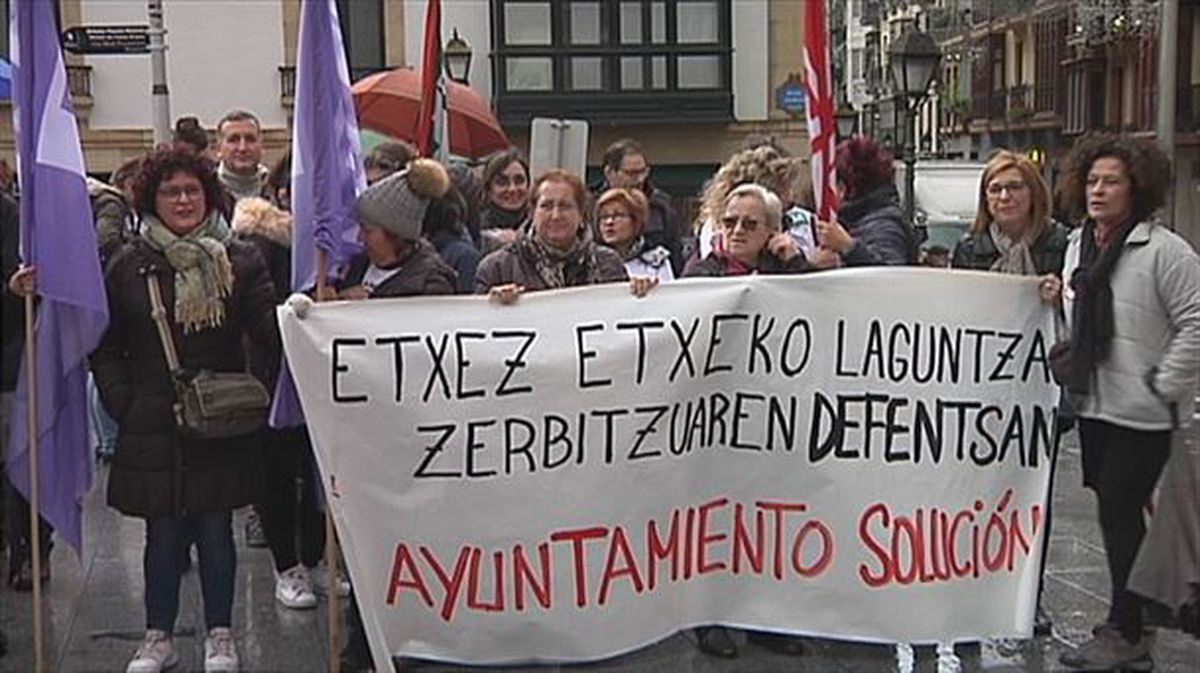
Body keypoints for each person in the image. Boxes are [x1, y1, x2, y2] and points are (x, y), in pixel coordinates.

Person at [91, 146, 280, 673]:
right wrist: (122, 401)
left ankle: (220, 634)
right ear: (152, 198)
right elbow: (104, 343)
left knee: (217, 529)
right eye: (171, 191)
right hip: (151, 417)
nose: (182, 200)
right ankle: (159, 635)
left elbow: (267, 333)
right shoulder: (129, 264)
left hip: (219, 416)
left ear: (208, 195)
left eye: (191, 190)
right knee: (163, 534)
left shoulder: (239, 258)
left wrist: (306, 308)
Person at [1040, 133, 1200, 671]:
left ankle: (1126, 629)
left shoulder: (1165, 251)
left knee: (1119, 511)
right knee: (1116, 511)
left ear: (1138, 187)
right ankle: (1132, 617)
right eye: (1092, 180)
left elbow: (1196, 321)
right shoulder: (1078, 246)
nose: (1099, 190)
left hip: (1144, 409)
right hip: (1095, 404)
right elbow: (1075, 311)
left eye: (1112, 181)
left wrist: (1166, 380)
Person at [333, 157, 461, 673]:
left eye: (370, 229)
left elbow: (429, 360)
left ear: (397, 234)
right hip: (362, 442)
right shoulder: (354, 268)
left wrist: (368, 312)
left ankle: (402, 642)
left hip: (407, 444)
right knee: (366, 550)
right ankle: (363, 644)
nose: (361, 235)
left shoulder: (433, 279)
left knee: (400, 550)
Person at [683, 183, 809, 660]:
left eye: (749, 224)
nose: (736, 230)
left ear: (773, 231)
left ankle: (764, 619)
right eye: (729, 221)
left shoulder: (788, 272)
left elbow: (820, 310)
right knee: (714, 519)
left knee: (767, 521)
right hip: (714, 423)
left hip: (770, 422)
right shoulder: (702, 271)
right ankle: (710, 618)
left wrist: (794, 260)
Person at [952, 149, 1070, 637]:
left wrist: (1061, 294)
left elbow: (1083, 304)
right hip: (983, 392)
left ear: (1033, 193)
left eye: (1013, 187)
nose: (1004, 197)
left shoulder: (1061, 244)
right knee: (975, 494)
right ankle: (973, 587)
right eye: (994, 189)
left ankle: (1028, 596)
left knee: (1032, 495)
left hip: (1041, 391)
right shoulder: (970, 247)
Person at [475, 169, 639, 301]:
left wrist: (642, 295)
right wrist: (490, 305)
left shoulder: (608, 264)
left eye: (565, 206)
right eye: (546, 206)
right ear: (532, 213)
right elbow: (478, 328)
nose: (555, 215)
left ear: (581, 214)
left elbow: (625, 318)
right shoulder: (497, 268)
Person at [816, 136, 915, 267]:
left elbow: (889, 277)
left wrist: (849, 248)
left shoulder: (884, 226)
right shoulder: (867, 221)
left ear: (842, 189)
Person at [594, 139, 683, 273]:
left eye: (643, 172)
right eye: (631, 173)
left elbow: (675, 257)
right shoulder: (589, 206)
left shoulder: (661, 207)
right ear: (610, 173)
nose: (640, 179)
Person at [595, 188, 674, 282]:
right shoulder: (589, 260)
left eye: (618, 215)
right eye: (604, 216)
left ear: (636, 221)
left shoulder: (657, 262)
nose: (609, 222)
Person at [477, 148, 530, 253]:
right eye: (502, 182)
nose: (512, 189)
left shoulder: (540, 226)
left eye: (519, 180)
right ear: (488, 189)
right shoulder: (477, 229)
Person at [215, 110, 268, 202]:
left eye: (250, 139)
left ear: (261, 146)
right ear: (219, 149)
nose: (242, 148)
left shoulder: (278, 190)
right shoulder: (205, 192)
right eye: (233, 140)